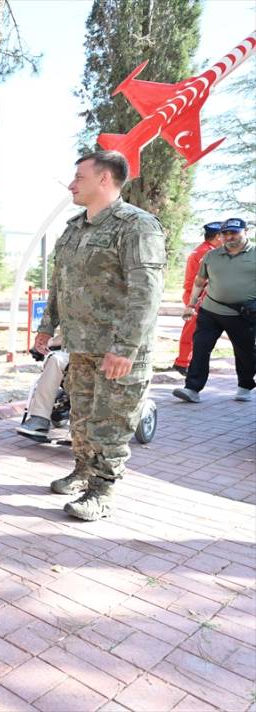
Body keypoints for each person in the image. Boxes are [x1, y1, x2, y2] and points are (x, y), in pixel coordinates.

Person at [35, 150, 165, 521]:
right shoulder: (75, 227)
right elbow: (61, 284)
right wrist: (48, 327)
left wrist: (125, 348)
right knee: (82, 417)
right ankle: (82, 471)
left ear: (104, 179)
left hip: (117, 350)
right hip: (80, 345)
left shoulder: (136, 226)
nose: (72, 184)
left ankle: (102, 490)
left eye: (79, 177)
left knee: (111, 421)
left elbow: (146, 293)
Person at [173, 217, 255, 404]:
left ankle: (245, 385)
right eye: (225, 233)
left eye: (234, 232)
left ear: (246, 232)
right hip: (210, 311)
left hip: (242, 314)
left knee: (245, 352)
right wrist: (191, 305)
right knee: (200, 348)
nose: (229, 237)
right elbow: (199, 282)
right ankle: (192, 388)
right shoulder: (211, 256)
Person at [173, 222, 223, 375]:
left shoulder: (205, 249)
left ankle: (188, 361)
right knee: (192, 330)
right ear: (217, 236)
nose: (226, 238)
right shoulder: (206, 252)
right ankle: (182, 362)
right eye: (224, 235)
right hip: (198, 295)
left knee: (197, 329)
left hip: (197, 294)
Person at [16, 336, 68, 438]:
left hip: (102, 351)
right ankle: (40, 417)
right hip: (75, 350)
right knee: (55, 359)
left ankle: (80, 430)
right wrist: (46, 341)